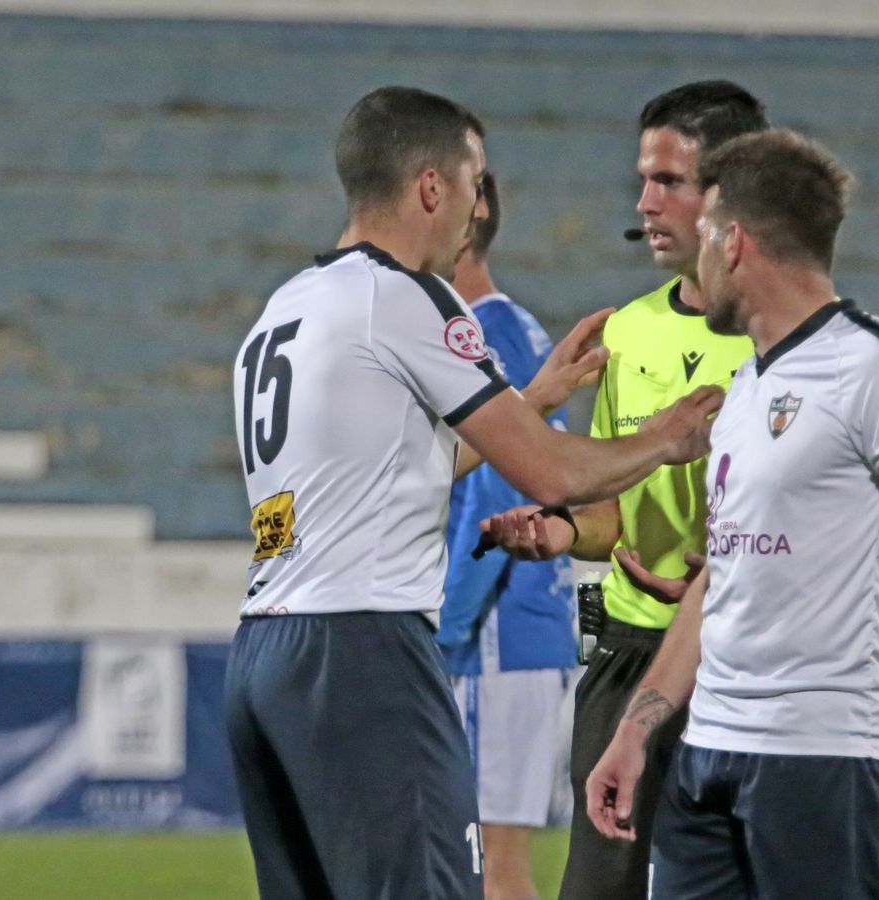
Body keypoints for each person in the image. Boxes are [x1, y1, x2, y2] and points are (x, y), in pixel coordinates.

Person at [225, 86, 723, 900]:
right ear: (432, 187)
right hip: (363, 651)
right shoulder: (408, 297)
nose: (477, 207)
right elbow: (553, 476)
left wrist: (526, 402)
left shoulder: (287, 308)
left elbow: (390, 468)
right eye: (474, 181)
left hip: (262, 657)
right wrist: (666, 438)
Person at [583, 130, 879, 899]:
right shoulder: (747, 386)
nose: (699, 256)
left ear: (736, 241)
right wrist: (636, 729)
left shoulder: (874, 366)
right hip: (708, 752)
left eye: (708, 233)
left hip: (824, 755)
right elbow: (721, 577)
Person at [477, 81, 768, 900]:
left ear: (730, 192)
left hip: (742, 663)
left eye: (669, 181)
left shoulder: (781, 338)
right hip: (629, 655)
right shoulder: (628, 331)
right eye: (644, 179)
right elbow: (612, 516)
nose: (644, 202)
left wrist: (725, 573)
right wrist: (564, 532)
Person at [438, 173, 579, 900]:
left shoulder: (481, 335)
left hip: (496, 633)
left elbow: (494, 488)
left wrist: (445, 625)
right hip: (526, 625)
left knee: (494, 863)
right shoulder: (517, 328)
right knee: (491, 858)